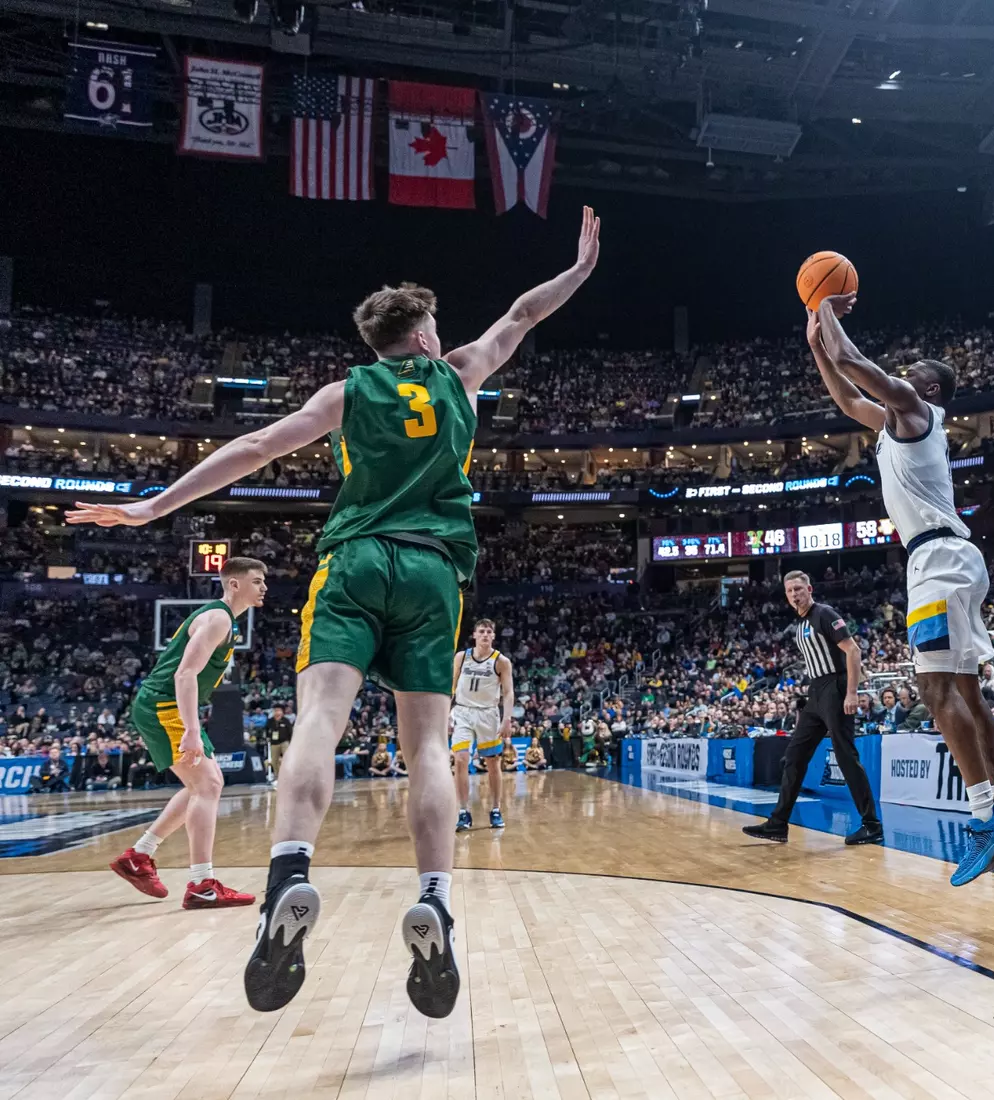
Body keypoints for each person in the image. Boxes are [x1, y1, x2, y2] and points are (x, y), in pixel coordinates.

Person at [69, 206, 602, 1018]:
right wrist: (581, 268)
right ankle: (434, 901)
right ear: (423, 335)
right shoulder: (459, 373)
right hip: (433, 572)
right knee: (427, 749)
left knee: (318, 720)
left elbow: (252, 451)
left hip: (354, 561)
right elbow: (524, 314)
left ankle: (289, 875)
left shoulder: (346, 393)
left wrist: (154, 507)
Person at [811, 293, 994, 887]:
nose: (901, 380)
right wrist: (816, 344)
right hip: (950, 557)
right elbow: (847, 393)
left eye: (911, 377)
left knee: (934, 692)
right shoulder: (889, 427)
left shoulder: (915, 410)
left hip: (936, 560)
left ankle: (985, 814)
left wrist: (826, 305)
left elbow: (858, 364)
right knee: (965, 689)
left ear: (929, 391)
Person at [108, 557, 266, 910]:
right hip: (163, 704)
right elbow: (184, 675)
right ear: (234, 584)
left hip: (164, 704)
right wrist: (192, 729)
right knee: (208, 785)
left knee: (202, 785)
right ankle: (200, 884)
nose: (264, 587)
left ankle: (139, 856)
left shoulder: (228, 621)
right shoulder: (218, 618)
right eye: (257, 581)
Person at [743, 571, 882, 845]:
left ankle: (872, 825)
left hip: (836, 687)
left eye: (798, 589)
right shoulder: (800, 624)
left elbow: (853, 651)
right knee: (793, 757)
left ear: (810, 588)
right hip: (816, 692)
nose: (795, 594)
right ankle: (778, 823)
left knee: (845, 756)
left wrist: (852, 692)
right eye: (790, 591)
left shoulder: (825, 613)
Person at [451, 619, 515, 831]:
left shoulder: (501, 661)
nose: (486, 634)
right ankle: (463, 811)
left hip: (488, 714)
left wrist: (507, 719)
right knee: (460, 760)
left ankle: (495, 809)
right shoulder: (461, 657)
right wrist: (444, 714)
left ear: (493, 636)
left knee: (493, 763)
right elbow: (450, 687)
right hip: (462, 711)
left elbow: (508, 692)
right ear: (475, 635)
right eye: (482, 631)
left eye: (489, 631)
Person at [264, 705, 293, 789]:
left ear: (282, 712)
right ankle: (278, 777)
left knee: (287, 759)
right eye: (275, 710)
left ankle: (289, 777)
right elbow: (266, 730)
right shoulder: (270, 721)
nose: (277, 712)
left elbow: (290, 731)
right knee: (274, 760)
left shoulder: (286, 721)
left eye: (278, 710)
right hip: (274, 743)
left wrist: (290, 742)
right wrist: (267, 737)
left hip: (284, 742)